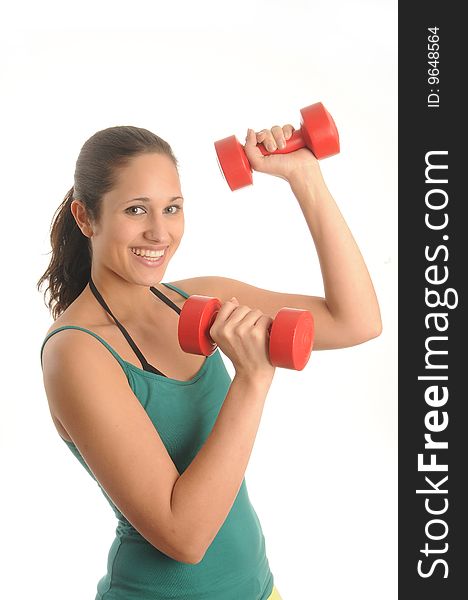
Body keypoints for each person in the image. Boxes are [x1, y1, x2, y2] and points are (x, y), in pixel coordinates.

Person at [38, 122, 382, 600]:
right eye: (136, 210)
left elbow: (356, 321)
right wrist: (253, 379)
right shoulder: (76, 353)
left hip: (260, 590)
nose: (160, 233)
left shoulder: (197, 299)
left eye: (172, 209)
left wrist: (304, 177)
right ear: (85, 217)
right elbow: (185, 537)